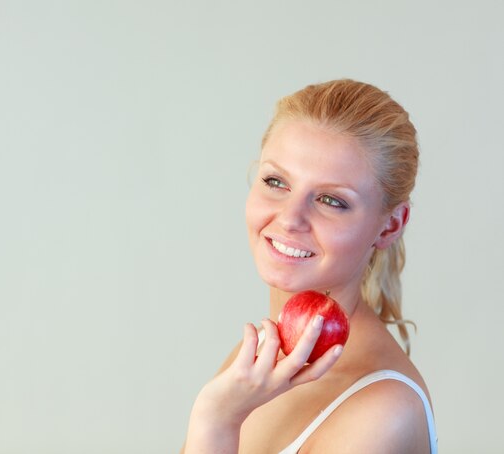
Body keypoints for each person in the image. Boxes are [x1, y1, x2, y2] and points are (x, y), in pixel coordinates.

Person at [182, 79, 437, 453]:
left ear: (391, 225)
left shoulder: (380, 411)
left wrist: (215, 421)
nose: (289, 218)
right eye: (275, 181)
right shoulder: (254, 361)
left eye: (332, 200)